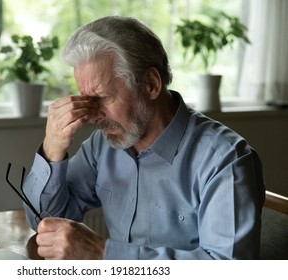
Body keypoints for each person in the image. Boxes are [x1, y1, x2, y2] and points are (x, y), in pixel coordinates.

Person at [22, 16, 265, 260]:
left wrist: (100, 253)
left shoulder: (225, 160)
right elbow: (45, 221)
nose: (93, 115)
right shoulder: (103, 145)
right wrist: (53, 147)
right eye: (86, 99)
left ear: (150, 84)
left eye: (102, 98)